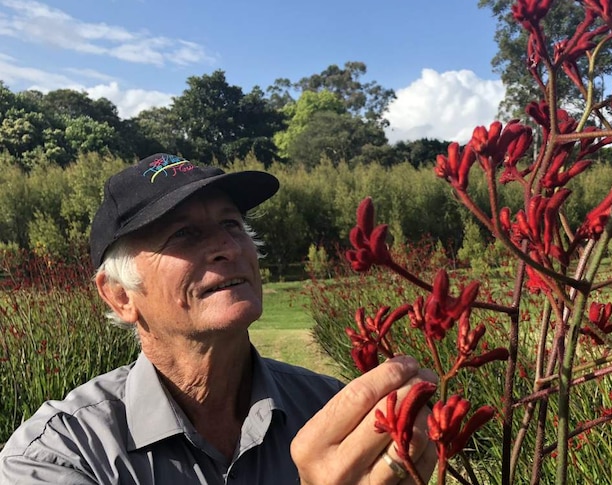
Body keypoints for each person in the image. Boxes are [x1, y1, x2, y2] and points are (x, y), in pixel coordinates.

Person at [0, 154, 436, 484]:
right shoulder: (61, 454)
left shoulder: (332, 410)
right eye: (184, 233)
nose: (228, 246)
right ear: (119, 296)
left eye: (232, 224)